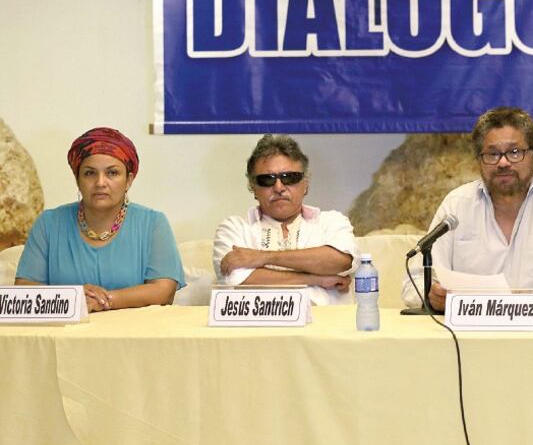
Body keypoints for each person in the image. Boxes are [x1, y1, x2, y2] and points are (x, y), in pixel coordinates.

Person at [401, 107, 533, 312]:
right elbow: (414, 282)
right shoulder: (457, 204)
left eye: (514, 152)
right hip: (469, 336)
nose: (503, 163)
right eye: (492, 154)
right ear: (479, 160)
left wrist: (527, 309)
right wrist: (431, 295)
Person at [15, 127, 185, 312]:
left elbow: (163, 291)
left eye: (112, 173)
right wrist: (75, 296)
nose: (100, 182)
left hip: (134, 334)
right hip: (64, 335)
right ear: (77, 179)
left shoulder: (153, 223)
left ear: (129, 180)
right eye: (90, 173)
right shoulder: (49, 224)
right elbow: (24, 289)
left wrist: (104, 300)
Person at [213, 134, 358, 305]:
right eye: (267, 179)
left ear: (306, 183)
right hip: (256, 328)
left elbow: (340, 262)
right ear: (253, 187)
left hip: (325, 326)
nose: (279, 187)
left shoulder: (331, 221)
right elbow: (235, 280)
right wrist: (317, 279)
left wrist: (262, 257)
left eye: (289, 177)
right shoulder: (234, 228)